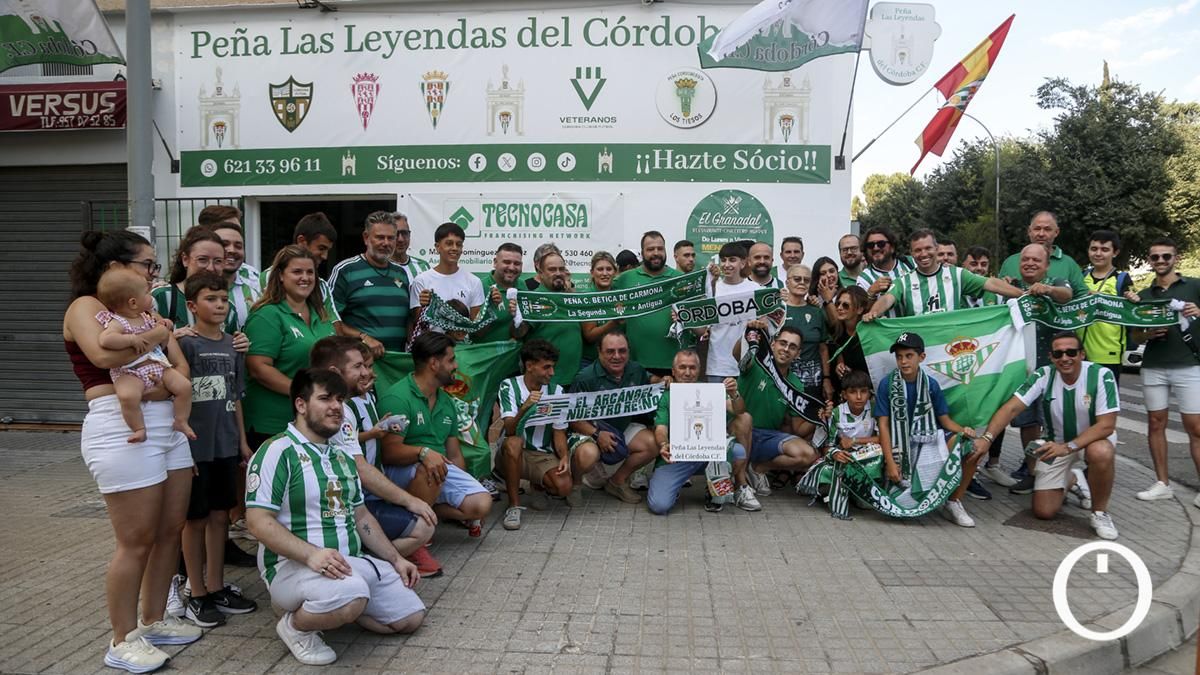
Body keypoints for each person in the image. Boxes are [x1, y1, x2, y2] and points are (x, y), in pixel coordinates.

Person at [65, 230, 202, 673]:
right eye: (147, 265)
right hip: (120, 425)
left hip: (167, 423)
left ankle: (154, 620)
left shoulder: (144, 309)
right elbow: (103, 357)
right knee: (136, 540)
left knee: (170, 529)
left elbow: (180, 364)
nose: (153, 274)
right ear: (115, 267)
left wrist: (155, 342)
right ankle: (121, 639)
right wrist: (155, 337)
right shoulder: (86, 307)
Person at [245, 369, 425, 666]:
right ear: (301, 404)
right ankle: (295, 626)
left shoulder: (341, 456)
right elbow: (257, 521)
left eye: (340, 399)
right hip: (293, 566)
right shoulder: (277, 451)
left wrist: (395, 559)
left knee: (409, 618)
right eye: (325, 398)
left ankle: (335, 606)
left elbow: (361, 515)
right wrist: (312, 555)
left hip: (347, 564)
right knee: (352, 595)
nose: (336, 406)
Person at [311, 336, 442, 577]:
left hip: (349, 501)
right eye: (358, 366)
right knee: (423, 526)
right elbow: (361, 469)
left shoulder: (340, 405)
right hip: (335, 510)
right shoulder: (338, 411)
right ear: (334, 372)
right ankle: (364, 565)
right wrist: (410, 501)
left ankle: (366, 560)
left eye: (366, 365)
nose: (367, 373)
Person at [969, 332, 1120, 539]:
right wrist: (987, 438)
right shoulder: (1044, 374)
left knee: (1100, 451)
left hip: (1090, 441)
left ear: (1082, 354)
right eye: (1058, 354)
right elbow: (1011, 408)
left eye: (1071, 352)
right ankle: (1073, 478)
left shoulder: (1101, 375)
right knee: (1044, 511)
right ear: (1051, 357)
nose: (1064, 358)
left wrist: (1068, 447)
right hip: (1055, 445)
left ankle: (1100, 513)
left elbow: (1106, 425)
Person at [176, 273, 257, 627]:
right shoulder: (184, 345)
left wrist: (241, 442)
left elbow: (235, 397)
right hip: (194, 448)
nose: (220, 305)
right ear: (192, 306)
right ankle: (196, 593)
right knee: (194, 519)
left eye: (223, 299)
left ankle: (216, 586)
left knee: (220, 517)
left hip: (225, 444)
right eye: (211, 299)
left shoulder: (234, 345)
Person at [376, 333, 492, 528]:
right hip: (401, 471)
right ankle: (413, 527)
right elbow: (389, 453)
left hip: (436, 470)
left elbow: (454, 455)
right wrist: (423, 453)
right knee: (431, 467)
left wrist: (461, 488)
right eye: (451, 360)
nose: (456, 366)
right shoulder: (397, 398)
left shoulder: (446, 401)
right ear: (434, 363)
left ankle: (422, 511)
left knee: (481, 503)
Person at [873, 333, 979, 527]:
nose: (903, 361)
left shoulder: (931, 384)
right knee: (898, 506)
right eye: (899, 357)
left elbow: (945, 421)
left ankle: (952, 501)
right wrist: (890, 463)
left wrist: (964, 431)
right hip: (900, 445)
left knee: (971, 447)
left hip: (928, 440)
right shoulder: (887, 384)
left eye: (909, 356)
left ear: (921, 357)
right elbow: (883, 426)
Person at [995, 243, 1074, 494]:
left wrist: (1048, 290)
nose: (1029, 263)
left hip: (1053, 368)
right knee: (1028, 424)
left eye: (1036, 260)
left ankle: (1062, 476)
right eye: (1025, 259)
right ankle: (1032, 472)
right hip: (1022, 369)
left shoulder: (1056, 281)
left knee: (1055, 423)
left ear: (1047, 265)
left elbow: (1067, 295)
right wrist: (1004, 288)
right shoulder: (1011, 286)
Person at [1127, 237, 1200, 505]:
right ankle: (1162, 484)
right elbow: (1135, 335)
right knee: (1156, 424)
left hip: (1189, 364)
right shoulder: (1145, 295)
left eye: (1165, 256)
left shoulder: (1194, 286)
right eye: (1155, 257)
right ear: (1149, 260)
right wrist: (1148, 334)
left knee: (1196, 427)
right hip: (1154, 366)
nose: (1160, 261)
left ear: (1175, 258)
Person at [243, 246, 337, 448]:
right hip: (273, 424)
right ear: (280, 275)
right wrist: (305, 393)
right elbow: (258, 368)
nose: (305, 278)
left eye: (310, 272)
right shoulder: (267, 315)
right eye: (297, 272)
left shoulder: (321, 314)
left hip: (314, 422)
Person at [647, 349, 755, 514]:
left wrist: (734, 394)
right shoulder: (667, 396)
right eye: (682, 367)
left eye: (692, 368)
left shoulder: (711, 391)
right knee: (659, 506)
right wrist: (663, 444)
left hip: (707, 454)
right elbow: (661, 428)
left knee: (738, 452)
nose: (687, 372)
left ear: (699, 370)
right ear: (673, 371)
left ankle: (713, 489)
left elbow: (738, 410)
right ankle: (673, 486)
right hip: (676, 458)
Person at [96, 268, 196, 444]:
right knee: (128, 396)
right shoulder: (117, 322)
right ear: (133, 303)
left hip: (157, 365)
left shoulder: (146, 316)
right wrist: (130, 339)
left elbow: (160, 330)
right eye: (147, 293)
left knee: (185, 386)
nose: (151, 296)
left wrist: (165, 323)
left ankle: (181, 420)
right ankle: (139, 428)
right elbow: (106, 339)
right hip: (130, 371)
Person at [568, 332, 663, 503]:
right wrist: (597, 434)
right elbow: (572, 418)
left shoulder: (635, 369)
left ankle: (617, 482)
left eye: (622, 351)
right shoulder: (585, 378)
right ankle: (575, 485)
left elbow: (649, 378)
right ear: (599, 352)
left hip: (620, 428)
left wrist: (662, 380)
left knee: (653, 443)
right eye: (610, 351)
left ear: (629, 351)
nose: (617, 356)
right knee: (588, 455)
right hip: (589, 432)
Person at [498, 340, 582, 529]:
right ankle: (513, 506)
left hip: (541, 454)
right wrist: (525, 407)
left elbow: (559, 431)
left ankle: (538, 487)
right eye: (546, 367)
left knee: (564, 487)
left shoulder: (557, 391)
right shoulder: (509, 385)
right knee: (513, 443)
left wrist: (564, 456)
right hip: (513, 452)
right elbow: (510, 430)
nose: (551, 373)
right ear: (529, 366)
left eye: (553, 367)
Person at [735, 325, 819, 497]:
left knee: (809, 455)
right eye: (783, 343)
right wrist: (749, 329)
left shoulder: (796, 384)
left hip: (766, 437)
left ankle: (757, 469)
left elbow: (798, 429)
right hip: (738, 432)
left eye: (792, 347)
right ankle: (740, 480)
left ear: (798, 354)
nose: (786, 349)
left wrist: (820, 417)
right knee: (744, 420)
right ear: (773, 344)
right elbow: (737, 353)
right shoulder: (756, 363)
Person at [864, 229, 1021, 320]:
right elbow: (887, 299)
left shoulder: (957, 274)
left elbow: (990, 283)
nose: (923, 254)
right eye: (918, 250)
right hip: (921, 350)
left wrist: (1022, 294)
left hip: (951, 347)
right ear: (911, 253)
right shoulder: (903, 282)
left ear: (936, 248)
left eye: (928, 248)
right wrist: (873, 313)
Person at [796, 369, 880, 519]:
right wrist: (835, 454)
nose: (859, 397)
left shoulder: (874, 409)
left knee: (866, 505)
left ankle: (853, 492)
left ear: (869, 393)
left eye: (863, 391)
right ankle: (830, 490)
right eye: (853, 392)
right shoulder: (836, 413)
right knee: (826, 470)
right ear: (844, 394)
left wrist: (854, 441)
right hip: (842, 460)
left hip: (864, 461)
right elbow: (826, 446)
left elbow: (884, 439)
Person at [328, 211, 410, 356]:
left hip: (396, 360)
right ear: (366, 238)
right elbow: (328, 318)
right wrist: (363, 337)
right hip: (360, 360)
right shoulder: (346, 270)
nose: (386, 243)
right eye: (380, 237)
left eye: (391, 238)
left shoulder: (401, 273)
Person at [612, 231, 681, 375]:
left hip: (674, 364)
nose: (656, 253)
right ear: (642, 252)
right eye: (650, 249)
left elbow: (697, 322)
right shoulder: (624, 279)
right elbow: (602, 301)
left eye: (660, 249)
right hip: (635, 364)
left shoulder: (680, 279)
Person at [260, 212, 343, 326]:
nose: (325, 256)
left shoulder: (322, 285)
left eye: (310, 272)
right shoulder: (266, 278)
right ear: (302, 241)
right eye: (321, 248)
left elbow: (335, 326)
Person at [514, 251, 583, 387]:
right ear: (540, 273)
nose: (558, 273)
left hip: (575, 377)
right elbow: (519, 334)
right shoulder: (534, 298)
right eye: (552, 269)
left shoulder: (572, 298)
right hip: (546, 380)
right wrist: (517, 318)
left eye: (561, 269)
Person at [410, 222, 486, 339]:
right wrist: (424, 306)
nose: (454, 248)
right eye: (449, 243)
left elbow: (476, 326)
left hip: (461, 348)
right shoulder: (422, 281)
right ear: (437, 247)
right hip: (432, 346)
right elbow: (416, 323)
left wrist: (491, 308)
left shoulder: (474, 281)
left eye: (458, 244)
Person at [1079, 230, 1134, 383]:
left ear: (1115, 253)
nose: (1098, 253)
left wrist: (1132, 298)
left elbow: (1129, 309)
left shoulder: (1121, 279)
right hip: (1078, 351)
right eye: (1094, 248)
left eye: (1104, 249)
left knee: (1105, 396)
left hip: (1108, 352)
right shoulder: (1080, 276)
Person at [700, 241, 759, 382]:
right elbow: (703, 327)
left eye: (732, 260)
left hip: (748, 363)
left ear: (743, 263)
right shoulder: (713, 289)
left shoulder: (755, 289)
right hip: (718, 365)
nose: (727, 264)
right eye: (723, 260)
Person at [152, 226, 228, 330]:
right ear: (185, 259)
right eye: (202, 259)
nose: (210, 268)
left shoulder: (227, 306)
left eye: (218, 261)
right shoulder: (161, 297)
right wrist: (172, 336)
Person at [997, 211, 1088, 297]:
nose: (1041, 234)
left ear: (1056, 232)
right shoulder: (1010, 262)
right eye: (1037, 229)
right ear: (1029, 231)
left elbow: (1083, 296)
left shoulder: (1069, 264)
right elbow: (997, 295)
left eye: (1047, 229)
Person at [200, 206, 261, 332]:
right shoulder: (182, 287)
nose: (232, 250)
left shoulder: (253, 277)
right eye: (225, 243)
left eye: (238, 244)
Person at [782, 265, 832, 402]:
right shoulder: (778, 310)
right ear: (787, 282)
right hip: (784, 378)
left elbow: (823, 348)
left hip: (813, 381)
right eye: (797, 279)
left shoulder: (816, 311)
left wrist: (826, 378)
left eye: (806, 280)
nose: (802, 283)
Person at [473, 242, 523, 344]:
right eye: (507, 262)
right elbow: (474, 334)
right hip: (486, 352)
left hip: (515, 352)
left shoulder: (523, 286)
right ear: (495, 263)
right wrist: (490, 309)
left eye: (517, 263)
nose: (512, 267)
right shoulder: (480, 286)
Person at [856, 226, 914, 309]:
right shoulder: (864, 278)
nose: (876, 248)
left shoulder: (911, 263)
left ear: (892, 247)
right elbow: (861, 311)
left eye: (881, 244)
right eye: (870, 245)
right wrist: (871, 293)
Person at [580, 251, 621, 368]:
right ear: (592, 272)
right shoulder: (586, 297)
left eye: (609, 269)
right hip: (590, 361)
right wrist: (614, 322)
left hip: (617, 358)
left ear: (615, 272)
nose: (605, 273)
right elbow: (589, 336)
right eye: (600, 269)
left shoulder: (620, 294)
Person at [828, 286, 871, 392]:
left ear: (860, 309)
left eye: (845, 305)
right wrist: (840, 367)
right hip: (845, 391)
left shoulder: (869, 333)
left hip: (867, 391)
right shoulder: (837, 331)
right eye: (838, 303)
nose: (839, 308)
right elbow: (840, 355)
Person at [389, 212, 431, 281]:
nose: (400, 239)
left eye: (404, 233)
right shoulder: (381, 267)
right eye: (396, 234)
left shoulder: (423, 267)